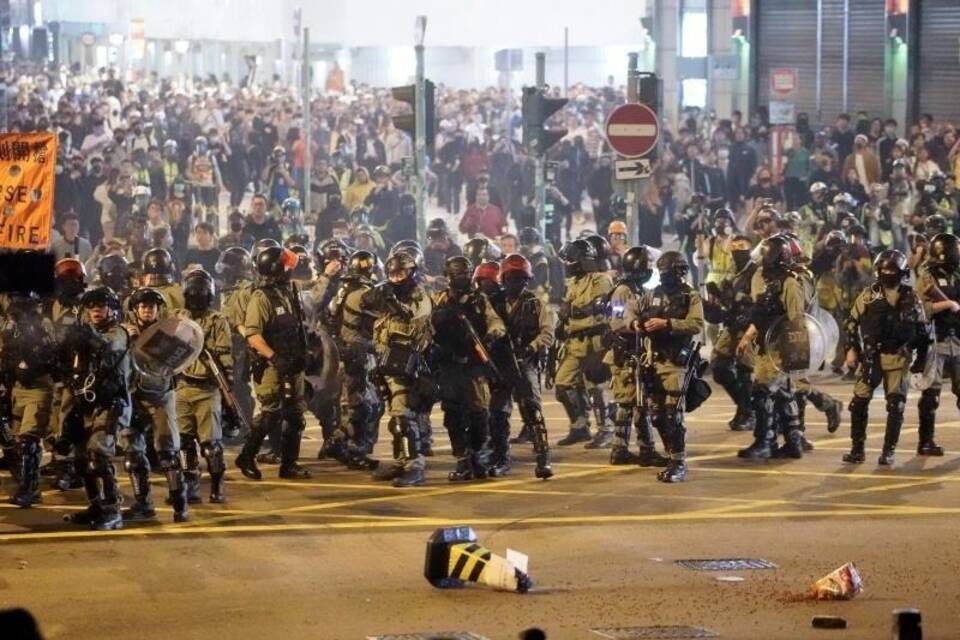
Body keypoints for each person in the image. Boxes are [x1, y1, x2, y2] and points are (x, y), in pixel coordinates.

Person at [623, 252, 705, 482]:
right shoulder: (652, 294)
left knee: (672, 414)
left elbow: (697, 324)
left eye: (673, 272)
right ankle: (672, 455)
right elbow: (630, 310)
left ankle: (679, 462)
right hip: (654, 359)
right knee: (657, 415)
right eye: (666, 273)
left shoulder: (691, 296)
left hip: (676, 360)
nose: (669, 277)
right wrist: (635, 323)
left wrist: (667, 323)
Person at [843, 250, 929, 466]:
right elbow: (852, 322)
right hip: (871, 357)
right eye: (884, 269)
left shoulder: (911, 297)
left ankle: (888, 451)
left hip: (898, 358)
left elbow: (922, 332)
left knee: (896, 405)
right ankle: (857, 450)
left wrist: (921, 360)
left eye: (892, 270)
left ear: (902, 273)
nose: (888, 273)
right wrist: (851, 349)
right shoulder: (869, 295)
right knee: (859, 402)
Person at [234, 246, 312, 480]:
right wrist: (275, 358)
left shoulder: (289, 291)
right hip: (272, 366)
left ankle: (289, 465)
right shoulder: (261, 297)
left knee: (296, 417)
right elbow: (253, 335)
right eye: (286, 266)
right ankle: (246, 456)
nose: (291, 269)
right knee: (271, 414)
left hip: (294, 362)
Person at [364, 251, 434, 487]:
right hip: (385, 361)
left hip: (407, 362)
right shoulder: (387, 292)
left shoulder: (419, 295)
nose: (396, 279)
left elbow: (417, 320)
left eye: (401, 273)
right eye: (392, 274)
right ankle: (401, 459)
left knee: (403, 415)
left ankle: (414, 464)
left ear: (412, 272)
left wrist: (395, 303)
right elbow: (365, 301)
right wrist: (380, 293)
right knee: (395, 418)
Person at [432, 256, 506, 481]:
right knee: (453, 414)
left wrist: (493, 335)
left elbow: (495, 322)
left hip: (474, 364)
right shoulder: (440, 300)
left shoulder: (478, 299)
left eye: (466, 274)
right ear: (449, 276)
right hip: (449, 365)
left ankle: (476, 454)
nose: (463, 278)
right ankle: (462, 458)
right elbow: (426, 326)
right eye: (458, 275)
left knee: (479, 413)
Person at [120, 287, 190, 523]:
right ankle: (143, 504)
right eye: (143, 306)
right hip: (132, 396)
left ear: (158, 310)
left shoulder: (167, 333)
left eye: (151, 307)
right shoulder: (123, 332)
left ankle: (180, 505)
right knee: (133, 453)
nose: (147, 310)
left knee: (168, 453)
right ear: (135, 310)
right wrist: (126, 339)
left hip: (160, 395)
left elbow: (181, 357)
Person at [65, 287, 132, 530]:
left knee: (98, 455)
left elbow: (110, 348)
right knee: (81, 458)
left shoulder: (119, 332)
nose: (95, 310)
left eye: (100, 306)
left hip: (111, 403)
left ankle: (113, 509)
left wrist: (86, 337)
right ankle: (95, 505)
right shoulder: (86, 333)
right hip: (87, 402)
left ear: (111, 309)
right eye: (91, 306)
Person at [736, 235, 806, 460]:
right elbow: (760, 313)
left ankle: (765, 441)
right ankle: (793, 441)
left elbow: (797, 320)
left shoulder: (790, 283)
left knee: (762, 393)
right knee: (784, 394)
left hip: (779, 348)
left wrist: (794, 353)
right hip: (764, 344)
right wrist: (747, 336)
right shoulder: (762, 278)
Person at [604, 246, 671, 467]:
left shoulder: (639, 289)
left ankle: (637, 449)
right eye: (647, 265)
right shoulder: (622, 291)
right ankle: (629, 449)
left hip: (638, 352)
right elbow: (616, 322)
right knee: (628, 401)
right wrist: (637, 325)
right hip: (626, 353)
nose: (650, 269)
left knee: (639, 402)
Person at [490, 254, 555, 478]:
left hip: (525, 362)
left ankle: (543, 459)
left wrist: (530, 348)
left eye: (520, 278)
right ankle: (501, 457)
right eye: (511, 278)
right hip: (501, 363)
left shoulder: (536, 304)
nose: (515, 283)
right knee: (497, 413)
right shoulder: (493, 302)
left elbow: (548, 333)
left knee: (532, 411)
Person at [176, 270, 233, 503]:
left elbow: (225, 356)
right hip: (181, 386)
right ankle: (190, 484)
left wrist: (226, 387)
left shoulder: (217, 321)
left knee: (211, 445)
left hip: (207, 389)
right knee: (183, 442)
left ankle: (217, 484)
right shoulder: (178, 317)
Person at [552, 239, 614, 446]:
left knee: (596, 386)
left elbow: (597, 306)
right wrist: (561, 323)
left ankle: (606, 429)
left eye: (571, 260)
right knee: (563, 385)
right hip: (574, 342)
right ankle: (579, 426)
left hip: (595, 341)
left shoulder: (600, 280)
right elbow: (567, 308)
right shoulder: (574, 282)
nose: (567, 264)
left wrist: (571, 310)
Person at [326, 250, 381, 470]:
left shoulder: (344, 289)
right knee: (362, 407)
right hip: (356, 355)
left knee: (357, 406)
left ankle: (340, 443)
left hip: (342, 352)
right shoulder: (364, 294)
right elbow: (375, 325)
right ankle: (349, 448)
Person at [2, 294, 56, 507]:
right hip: (17, 388)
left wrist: (29, 349)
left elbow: (50, 354)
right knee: (18, 439)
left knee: (29, 438)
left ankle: (30, 488)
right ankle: (28, 484)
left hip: (38, 386)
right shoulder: (9, 326)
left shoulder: (42, 325)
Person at [704, 235, 757, 431]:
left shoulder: (755, 273)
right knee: (719, 366)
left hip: (750, 328)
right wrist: (716, 296)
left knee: (744, 371)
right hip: (732, 325)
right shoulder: (732, 271)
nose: (737, 252)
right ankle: (744, 406)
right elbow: (727, 300)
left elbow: (758, 302)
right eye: (733, 248)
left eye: (741, 248)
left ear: (749, 250)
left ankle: (748, 413)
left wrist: (739, 303)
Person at [913, 233, 960, 457]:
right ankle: (926, 441)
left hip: (957, 339)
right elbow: (920, 309)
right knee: (931, 395)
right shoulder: (927, 277)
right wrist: (947, 304)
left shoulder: (957, 275)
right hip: (936, 339)